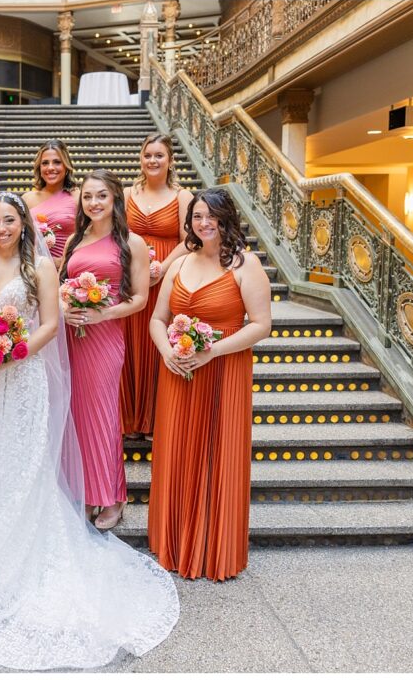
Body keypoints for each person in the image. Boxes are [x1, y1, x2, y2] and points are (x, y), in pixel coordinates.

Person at [0, 191, 179, 671]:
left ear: (23, 223)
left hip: (21, 377)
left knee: (19, 464)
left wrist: (11, 354)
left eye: (9, 220)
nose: (1, 228)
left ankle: (17, 554)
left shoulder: (39, 268)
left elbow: (49, 324)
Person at [147, 187, 271, 581]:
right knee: (178, 452)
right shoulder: (181, 262)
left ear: (226, 219)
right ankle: (175, 544)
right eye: (197, 216)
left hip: (223, 372)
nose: (204, 223)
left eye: (211, 216)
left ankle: (213, 548)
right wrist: (167, 351)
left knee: (217, 453)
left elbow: (261, 325)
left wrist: (213, 352)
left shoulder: (244, 264)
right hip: (178, 374)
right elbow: (157, 318)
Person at [61, 170, 150, 530]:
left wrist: (104, 314)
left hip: (106, 338)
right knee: (76, 416)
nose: (94, 203)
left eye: (101, 196)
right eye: (87, 197)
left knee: (103, 416)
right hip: (72, 340)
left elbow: (141, 299)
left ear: (115, 199)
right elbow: (61, 286)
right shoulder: (74, 241)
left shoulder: (132, 242)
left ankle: (113, 497)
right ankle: (85, 493)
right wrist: (67, 310)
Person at [121, 134, 193, 439]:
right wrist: (136, 268)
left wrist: (162, 268)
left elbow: (188, 240)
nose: (153, 160)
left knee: (156, 343)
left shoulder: (183, 196)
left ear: (170, 160)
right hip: (132, 277)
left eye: (159, 155)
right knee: (131, 346)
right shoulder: (127, 194)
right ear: (141, 158)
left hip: (168, 275)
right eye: (148, 155)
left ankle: (154, 420)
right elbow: (118, 234)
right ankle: (130, 419)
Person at [22, 139, 79, 266]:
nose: (50, 167)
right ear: (39, 167)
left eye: (57, 162)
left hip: (66, 269)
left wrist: (64, 261)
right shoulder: (27, 198)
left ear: (66, 165)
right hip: (34, 268)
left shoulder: (78, 196)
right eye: (45, 163)